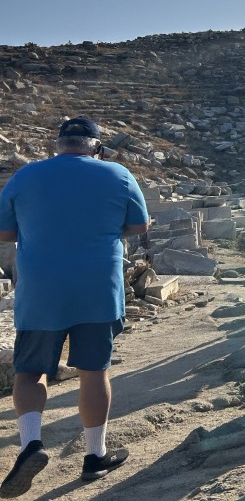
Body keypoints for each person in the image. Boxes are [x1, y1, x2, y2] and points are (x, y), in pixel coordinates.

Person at [0, 117, 150, 496]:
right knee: (94, 371)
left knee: (30, 371)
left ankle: (31, 444)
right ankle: (95, 456)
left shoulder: (25, 176)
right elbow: (139, 226)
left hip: (40, 291)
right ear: (97, 147)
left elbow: (4, 233)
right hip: (97, 288)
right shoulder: (118, 174)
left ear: (59, 145)